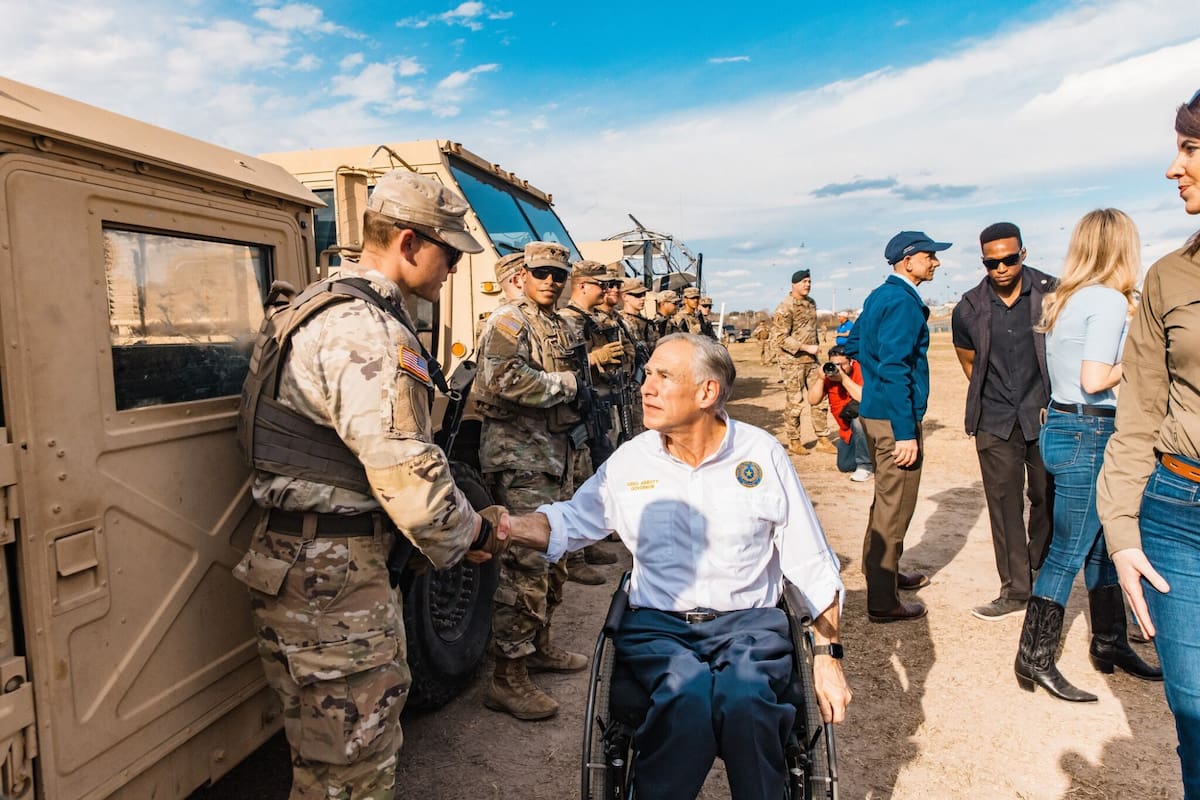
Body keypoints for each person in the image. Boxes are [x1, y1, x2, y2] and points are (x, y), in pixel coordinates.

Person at [234, 170, 503, 799]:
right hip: (335, 580)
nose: (453, 269)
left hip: (293, 562)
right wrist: (476, 533)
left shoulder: (313, 306)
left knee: (324, 764)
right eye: (449, 253)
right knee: (353, 775)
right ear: (409, 242)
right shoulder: (368, 331)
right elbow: (411, 479)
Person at [496, 333, 851, 800]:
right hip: (658, 629)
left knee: (746, 700)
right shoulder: (632, 461)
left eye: (663, 376)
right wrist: (506, 526)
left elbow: (811, 562)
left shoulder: (762, 455)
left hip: (749, 627)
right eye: (648, 375)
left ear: (707, 392)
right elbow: (570, 521)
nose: (646, 387)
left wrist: (827, 657)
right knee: (685, 696)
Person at [1013, 209, 1161, 702]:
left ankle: (1110, 642)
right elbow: (1096, 379)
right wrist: (1140, 357)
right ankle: (1035, 657)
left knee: (1099, 544)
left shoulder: (1068, 298)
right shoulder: (1109, 301)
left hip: (1064, 424)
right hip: (1091, 429)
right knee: (1070, 550)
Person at [1098, 88, 1200, 794]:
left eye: (1190, 148)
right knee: (1194, 714)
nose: (1173, 167)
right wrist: (1122, 531)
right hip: (1177, 512)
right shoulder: (1169, 276)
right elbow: (1137, 413)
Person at [474, 241, 592, 720]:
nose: (550, 281)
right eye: (541, 273)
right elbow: (503, 378)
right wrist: (567, 385)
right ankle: (507, 677)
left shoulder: (558, 324)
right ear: (523, 275)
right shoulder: (509, 321)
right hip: (520, 458)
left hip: (555, 456)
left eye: (558, 275)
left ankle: (539, 647)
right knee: (523, 566)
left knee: (553, 556)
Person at [952, 222, 1057, 620]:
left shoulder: (1052, 293)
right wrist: (994, 396)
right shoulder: (969, 307)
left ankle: (1039, 566)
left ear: (1023, 254)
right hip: (994, 420)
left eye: (1009, 260)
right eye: (991, 262)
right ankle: (1015, 589)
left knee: (1047, 496)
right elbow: (969, 361)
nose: (1000, 268)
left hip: (1046, 416)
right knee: (1003, 504)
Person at [845, 231, 951, 622]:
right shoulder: (903, 302)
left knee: (885, 500)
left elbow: (853, 343)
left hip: (875, 412)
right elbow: (894, 367)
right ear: (908, 261)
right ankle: (882, 599)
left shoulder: (880, 295)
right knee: (896, 506)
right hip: (894, 418)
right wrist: (906, 433)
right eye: (929, 256)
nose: (935, 262)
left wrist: (867, 371)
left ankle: (880, 572)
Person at [770, 269, 837, 457]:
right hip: (792, 363)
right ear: (794, 284)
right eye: (804, 282)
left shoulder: (811, 303)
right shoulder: (785, 307)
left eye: (809, 281)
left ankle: (823, 439)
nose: (807, 285)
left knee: (820, 398)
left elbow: (810, 330)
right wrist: (806, 348)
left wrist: (814, 350)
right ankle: (794, 441)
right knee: (795, 403)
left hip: (811, 362)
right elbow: (780, 338)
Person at [807, 345, 872, 482]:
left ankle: (865, 465)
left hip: (868, 426)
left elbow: (863, 398)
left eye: (842, 364)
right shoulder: (829, 375)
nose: (838, 368)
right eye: (835, 364)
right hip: (847, 430)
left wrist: (843, 378)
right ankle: (874, 457)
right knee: (845, 465)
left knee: (858, 419)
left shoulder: (860, 370)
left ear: (851, 362)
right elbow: (813, 400)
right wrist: (820, 379)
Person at [618, 277, 653, 436]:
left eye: (643, 295)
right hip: (632, 385)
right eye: (637, 295)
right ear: (625, 296)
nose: (642, 299)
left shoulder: (644, 323)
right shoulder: (621, 322)